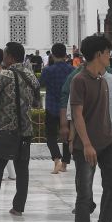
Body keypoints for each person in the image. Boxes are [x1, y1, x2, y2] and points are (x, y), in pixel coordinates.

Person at [70, 35, 112, 222]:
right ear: (98, 54)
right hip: (87, 146)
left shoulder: (102, 80)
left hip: (107, 143)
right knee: (85, 194)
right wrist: (86, 144)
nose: (110, 56)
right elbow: (77, 114)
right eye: (108, 53)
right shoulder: (79, 80)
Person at [0, 42, 39, 217]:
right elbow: (36, 102)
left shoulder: (4, 75)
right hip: (26, 130)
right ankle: (18, 207)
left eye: (5, 54)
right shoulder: (31, 75)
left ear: (10, 56)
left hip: (5, 128)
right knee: (22, 171)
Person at [40, 43, 73, 174]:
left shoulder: (48, 70)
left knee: (51, 136)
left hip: (51, 106)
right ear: (66, 55)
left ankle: (56, 159)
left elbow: (40, 84)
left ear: (52, 55)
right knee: (66, 135)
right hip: (67, 108)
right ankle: (65, 164)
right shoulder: (72, 70)